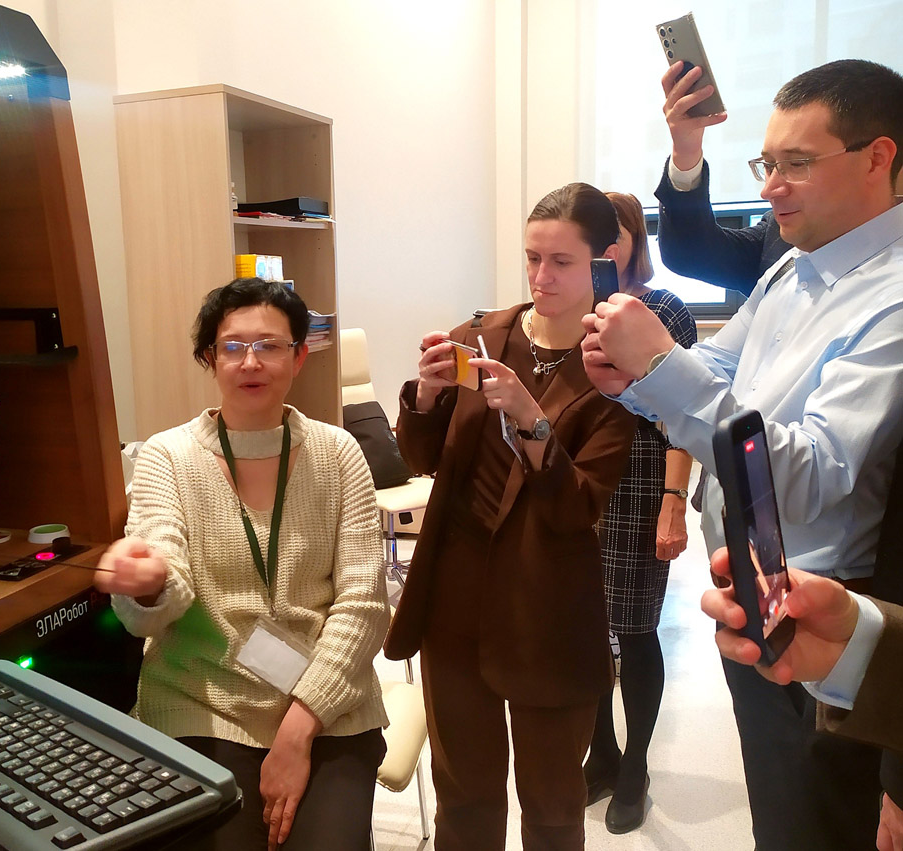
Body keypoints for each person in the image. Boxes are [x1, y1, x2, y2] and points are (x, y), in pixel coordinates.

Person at [581, 59, 903, 850]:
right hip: (750, 585)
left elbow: (815, 473)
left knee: (814, 821)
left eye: (797, 163)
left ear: (877, 158)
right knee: (777, 810)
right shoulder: (793, 264)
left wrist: (661, 366)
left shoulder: (893, 295)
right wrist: (634, 379)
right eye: (767, 163)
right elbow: (721, 369)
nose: (771, 187)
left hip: (827, 610)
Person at [93, 278, 389, 851]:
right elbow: (161, 577)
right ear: (210, 357)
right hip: (202, 701)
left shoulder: (338, 453)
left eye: (270, 345)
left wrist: (298, 731)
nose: (250, 362)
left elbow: (364, 604)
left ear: (299, 356)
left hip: (327, 703)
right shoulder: (167, 455)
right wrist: (149, 583)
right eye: (232, 346)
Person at [383, 182, 636, 850]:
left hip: (548, 605)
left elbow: (578, 505)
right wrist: (427, 395)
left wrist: (530, 418)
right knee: (463, 792)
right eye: (532, 258)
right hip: (455, 595)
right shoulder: (481, 336)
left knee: (552, 802)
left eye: (561, 262)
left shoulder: (613, 371)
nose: (541, 276)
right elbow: (422, 458)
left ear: (603, 260)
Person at [585, 192, 696, 834]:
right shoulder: (573, 312)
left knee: (634, 627)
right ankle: (601, 753)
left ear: (633, 240)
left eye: (615, 232)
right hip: (580, 491)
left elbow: (684, 415)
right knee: (586, 629)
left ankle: (636, 767)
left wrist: (673, 504)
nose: (603, 245)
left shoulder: (663, 311)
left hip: (641, 488)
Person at [700, 547, 903, 851]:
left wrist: (899, 780)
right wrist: (866, 645)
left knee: (821, 824)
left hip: (854, 591)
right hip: (775, 607)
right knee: (777, 822)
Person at [654, 60, 790, 294]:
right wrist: (686, 152)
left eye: (797, 164)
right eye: (768, 166)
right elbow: (689, 252)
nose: (767, 191)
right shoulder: (776, 237)